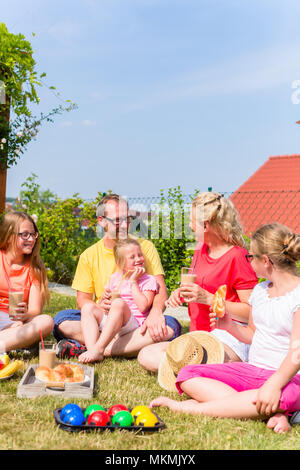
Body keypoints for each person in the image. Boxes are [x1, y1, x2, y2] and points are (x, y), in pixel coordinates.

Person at [150, 223, 300, 434]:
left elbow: (296, 354)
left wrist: (274, 386)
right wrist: (230, 326)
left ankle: (193, 408)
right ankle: (269, 409)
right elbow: (253, 336)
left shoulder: (297, 295)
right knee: (188, 374)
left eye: (251, 257)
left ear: (265, 261)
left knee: (285, 393)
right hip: (253, 372)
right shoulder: (260, 291)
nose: (249, 261)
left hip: (290, 378)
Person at [138, 192, 257, 372]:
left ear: (205, 225)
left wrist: (210, 299)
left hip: (230, 338)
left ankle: (203, 370)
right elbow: (197, 286)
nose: (190, 226)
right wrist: (181, 293)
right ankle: (199, 370)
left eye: (192, 221)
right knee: (146, 355)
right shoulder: (200, 249)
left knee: (205, 360)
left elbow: (251, 313)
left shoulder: (237, 256)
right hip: (199, 336)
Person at [54, 194, 181, 359]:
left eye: (127, 219)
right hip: (106, 318)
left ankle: (98, 348)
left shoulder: (144, 248)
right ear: (102, 221)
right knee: (61, 320)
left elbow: (161, 289)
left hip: (136, 322)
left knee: (170, 325)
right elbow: (83, 301)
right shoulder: (89, 255)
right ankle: (117, 345)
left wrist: (156, 313)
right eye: (117, 220)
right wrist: (100, 305)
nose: (124, 225)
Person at [78, 238, 159, 363]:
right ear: (120, 263)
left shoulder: (149, 280)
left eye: (140, 255)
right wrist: (103, 301)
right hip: (114, 322)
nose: (138, 259)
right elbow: (106, 303)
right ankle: (92, 349)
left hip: (134, 324)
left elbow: (144, 306)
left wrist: (133, 283)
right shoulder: (115, 278)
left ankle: (99, 349)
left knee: (119, 303)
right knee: (87, 308)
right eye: (132, 257)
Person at [0, 211, 53, 352]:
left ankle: (5, 344)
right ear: (10, 236)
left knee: (46, 321)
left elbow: (35, 309)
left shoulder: (35, 267)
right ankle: (14, 342)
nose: (31, 239)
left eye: (33, 234)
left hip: (15, 322)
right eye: (25, 234)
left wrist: (26, 314)